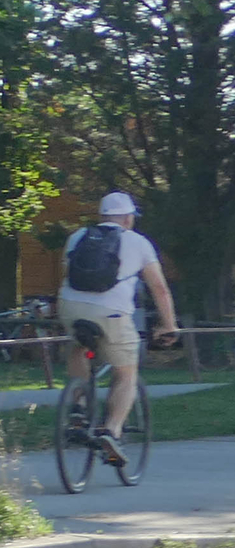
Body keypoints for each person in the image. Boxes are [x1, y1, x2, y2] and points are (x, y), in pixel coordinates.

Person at [59, 191, 181, 460]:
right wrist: (169, 325)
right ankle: (111, 432)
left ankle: (78, 408)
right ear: (128, 218)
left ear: (102, 216)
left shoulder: (77, 237)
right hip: (112, 314)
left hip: (70, 307)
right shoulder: (139, 242)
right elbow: (159, 289)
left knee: (79, 347)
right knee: (126, 371)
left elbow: (68, 274)